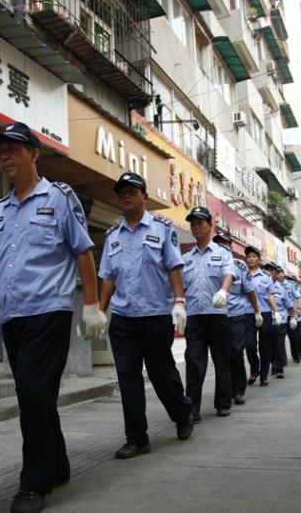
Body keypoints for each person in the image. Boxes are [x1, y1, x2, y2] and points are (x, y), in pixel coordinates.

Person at [0, 122, 107, 513]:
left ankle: (34, 483)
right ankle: (58, 462)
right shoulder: (0, 211)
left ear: (34, 153)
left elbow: (82, 251)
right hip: (13, 316)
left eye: (13, 148)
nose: (3, 156)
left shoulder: (60, 198)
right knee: (37, 395)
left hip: (48, 311)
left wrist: (91, 305)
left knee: (32, 394)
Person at [99, 172, 194, 460]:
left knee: (161, 373)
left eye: (132, 190)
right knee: (128, 377)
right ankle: (137, 438)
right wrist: (99, 310)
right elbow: (107, 277)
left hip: (155, 315)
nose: (126, 195)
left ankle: (182, 411)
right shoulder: (112, 237)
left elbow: (174, 268)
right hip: (124, 319)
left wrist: (179, 302)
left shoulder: (163, 230)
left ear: (144, 195)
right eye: (121, 192)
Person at [181, 207, 236, 420]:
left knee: (222, 359)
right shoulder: (186, 257)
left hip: (217, 314)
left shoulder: (223, 253)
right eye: (193, 223)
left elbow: (229, 274)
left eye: (200, 223)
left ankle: (223, 403)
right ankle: (192, 407)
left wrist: (223, 290)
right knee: (194, 361)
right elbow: (181, 285)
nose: (196, 227)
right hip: (194, 315)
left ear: (209, 226)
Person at [211, 232, 261, 406]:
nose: (223, 247)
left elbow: (250, 291)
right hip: (216, 316)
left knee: (235, 352)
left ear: (231, 248)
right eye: (219, 244)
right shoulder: (210, 264)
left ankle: (238, 389)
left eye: (226, 244)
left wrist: (257, 312)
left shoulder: (240, 266)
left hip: (237, 316)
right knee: (221, 355)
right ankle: (225, 391)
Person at [244, 247, 282, 386]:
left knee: (265, 346)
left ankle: (264, 375)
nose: (251, 259)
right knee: (249, 344)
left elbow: (270, 295)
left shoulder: (266, 277)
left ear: (259, 259)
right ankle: (255, 369)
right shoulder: (243, 274)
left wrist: (276, 312)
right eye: (249, 256)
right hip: (248, 313)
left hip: (265, 313)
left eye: (254, 256)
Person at [269, 264, 294, 379]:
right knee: (270, 346)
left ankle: (279, 368)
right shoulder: (263, 285)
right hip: (267, 320)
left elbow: (289, 305)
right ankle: (274, 363)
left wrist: (292, 318)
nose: (270, 273)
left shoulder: (281, 289)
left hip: (280, 321)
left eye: (273, 271)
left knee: (279, 345)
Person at [285, 275, 301, 364]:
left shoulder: (295, 289)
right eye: (289, 280)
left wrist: (299, 309)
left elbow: (299, 298)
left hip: (292, 315)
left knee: (294, 338)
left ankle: (296, 356)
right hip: (281, 316)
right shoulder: (279, 285)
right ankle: (281, 360)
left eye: (292, 280)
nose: (290, 282)